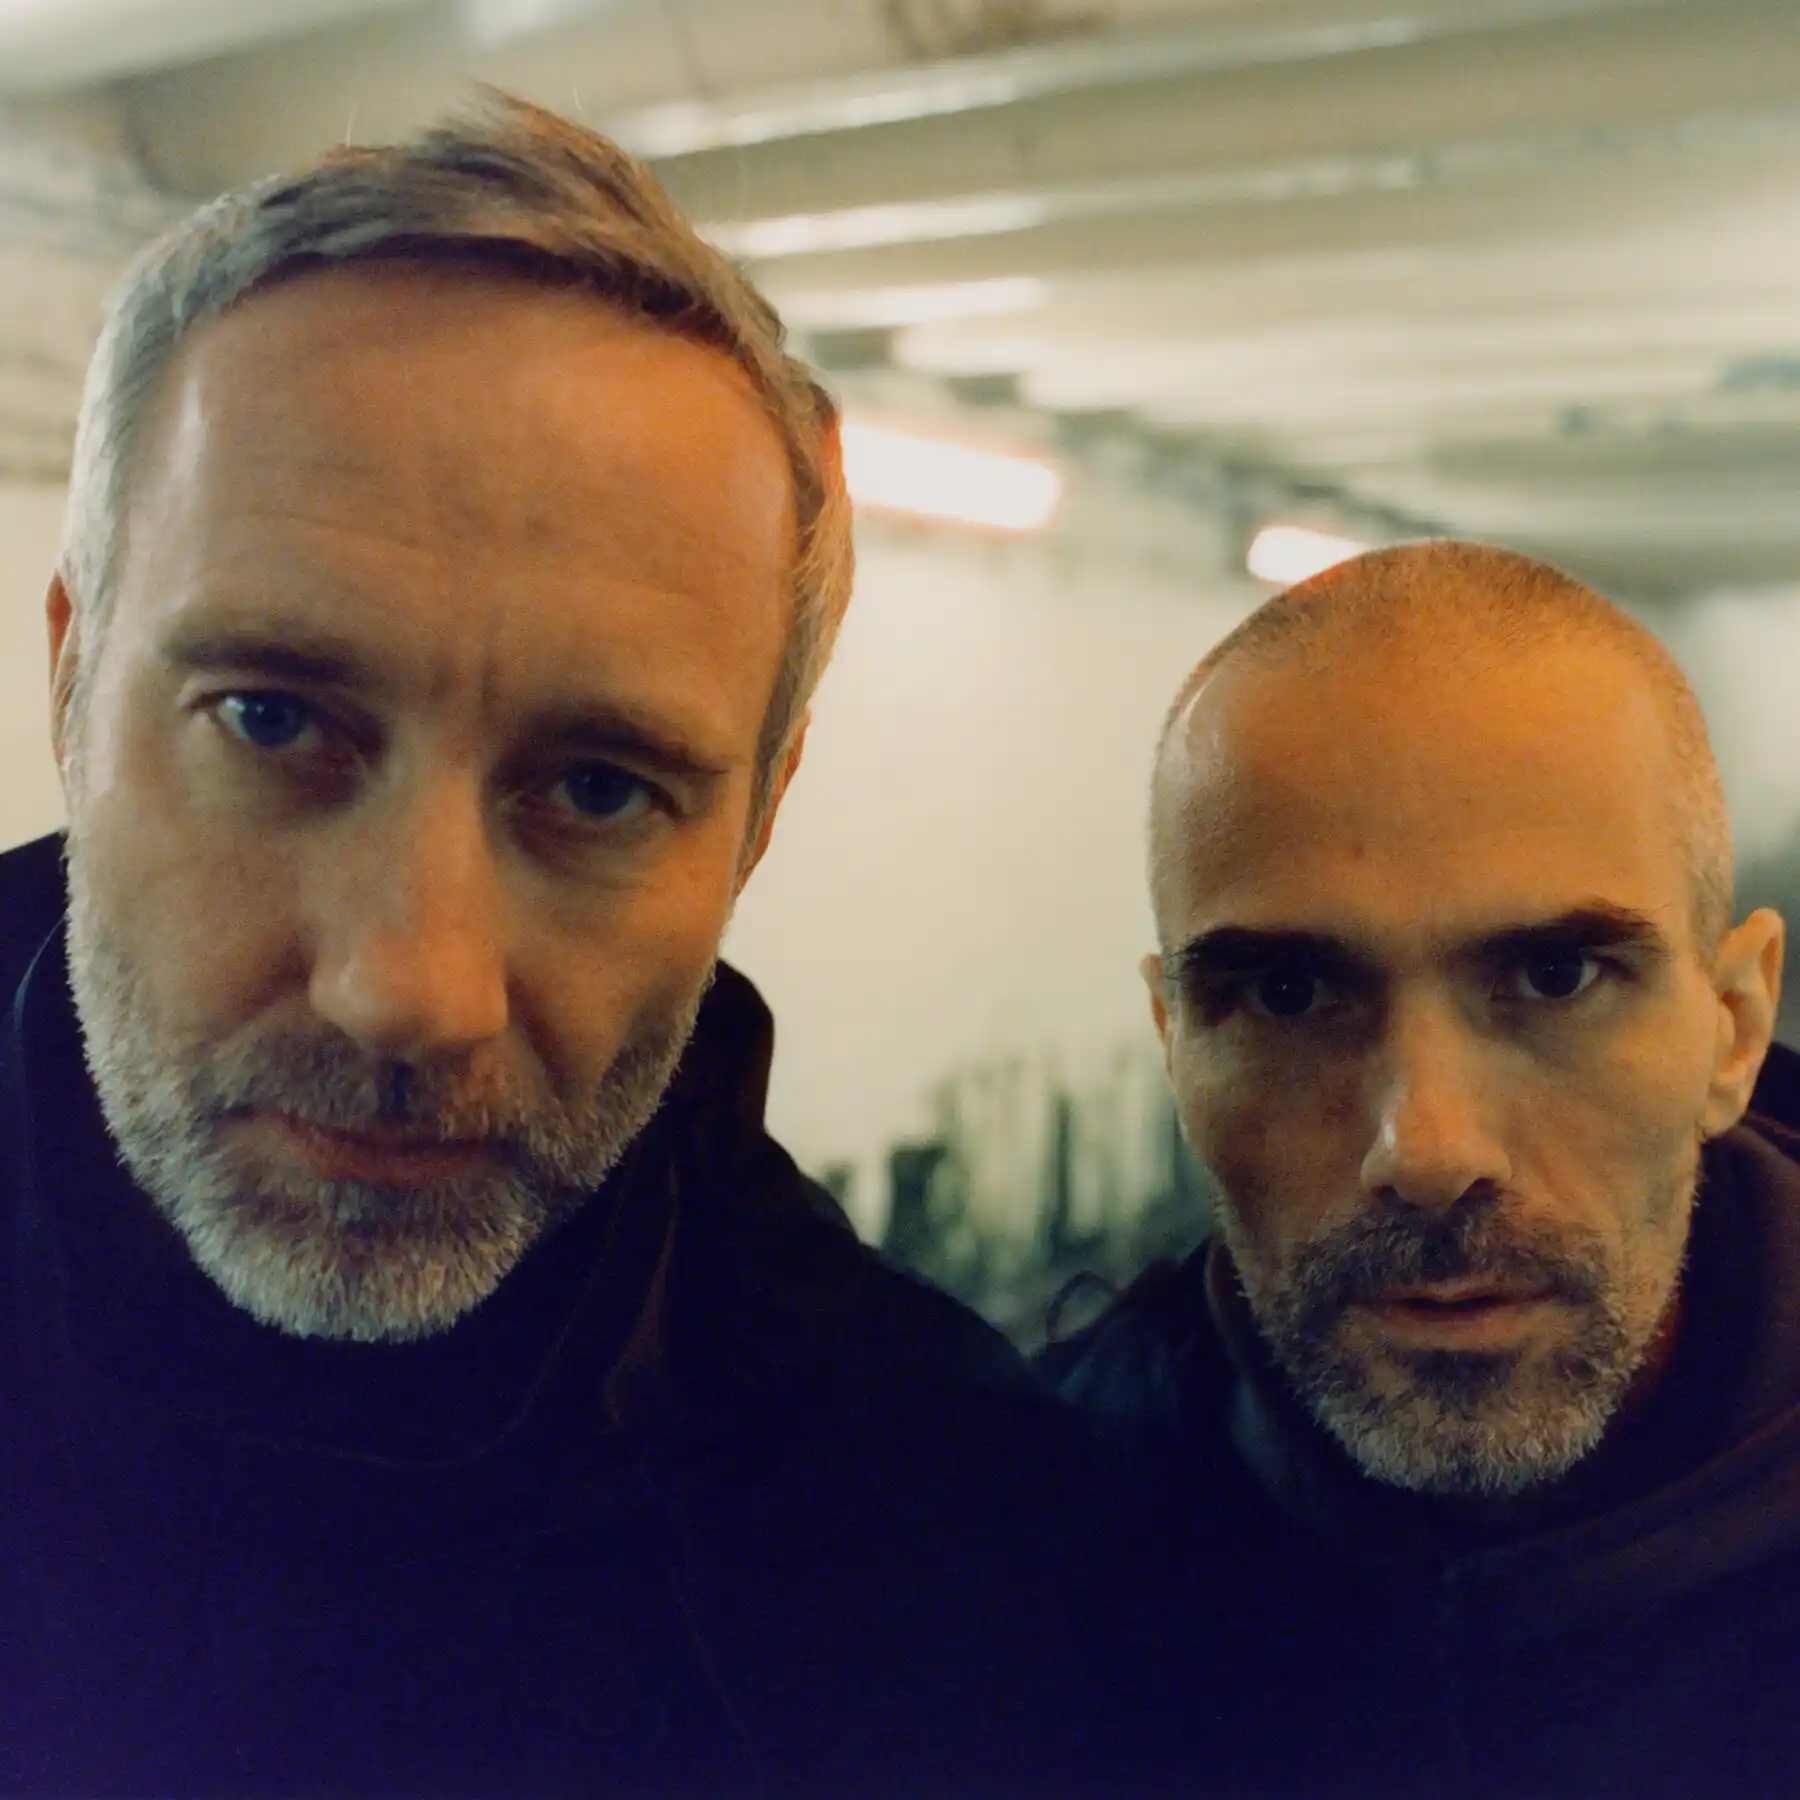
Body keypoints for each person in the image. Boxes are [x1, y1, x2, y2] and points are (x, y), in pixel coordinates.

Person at [0, 94, 1122, 1799]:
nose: (410, 992)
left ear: (759, 819)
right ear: (72, 680)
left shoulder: (945, 1549)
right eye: (274, 719)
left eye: (598, 789)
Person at [1044, 541, 1800, 1799]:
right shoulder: (1013, 1555)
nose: (1428, 1152)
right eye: (1290, 996)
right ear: (1175, 1044)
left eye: (1555, 977)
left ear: (1732, 1027)